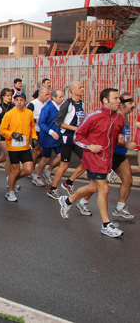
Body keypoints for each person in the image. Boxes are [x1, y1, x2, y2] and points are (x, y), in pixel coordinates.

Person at [58, 88, 126, 238]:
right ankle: (106, 225)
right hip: (94, 158)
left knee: (93, 187)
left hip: (107, 159)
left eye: (119, 98)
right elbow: (77, 137)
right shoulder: (93, 117)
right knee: (104, 188)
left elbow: (116, 136)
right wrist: (90, 146)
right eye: (115, 98)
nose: (119, 101)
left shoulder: (119, 118)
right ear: (105, 101)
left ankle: (67, 200)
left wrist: (120, 139)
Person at [48, 81, 87, 197]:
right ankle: (52, 189)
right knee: (64, 164)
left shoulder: (82, 103)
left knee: (87, 161)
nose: (83, 89)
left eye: (82, 87)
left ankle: (68, 182)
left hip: (77, 137)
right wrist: (74, 128)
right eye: (80, 87)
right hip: (67, 137)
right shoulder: (67, 104)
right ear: (73, 90)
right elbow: (58, 122)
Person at [0, 92, 38, 202]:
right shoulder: (9, 114)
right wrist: (12, 134)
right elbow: (2, 130)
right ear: (14, 101)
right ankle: (10, 192)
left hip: (25, 146)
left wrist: (34, 138)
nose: (19, 102)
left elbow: (32, 128)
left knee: (29, 170)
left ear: (25, 101)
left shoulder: (29, 113)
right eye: (17, 100)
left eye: (21, 100)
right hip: (13, 147)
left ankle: (12, 180)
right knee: (15, 171)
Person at [108, 92, 137, 219]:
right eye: (130, 103)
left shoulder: (125, 117)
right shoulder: (116, 118)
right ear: (122, 105)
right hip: (110, 155)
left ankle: (120, 207)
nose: (133, 106)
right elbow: (112, 138)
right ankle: (80, 201)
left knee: (128, 180)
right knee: (95, 187)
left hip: (120, 155)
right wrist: (126, 144)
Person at [37, 89, 66, 198]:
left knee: (61, 157)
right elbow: (41, 123)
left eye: (62, 97)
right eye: (60, 97)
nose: (62, 99)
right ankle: (37, 175)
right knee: (46, 158)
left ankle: (48, 171)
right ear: (53, 97)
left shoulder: (61, 107)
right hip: (48, 138)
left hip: (58, 138)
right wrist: (51, 132)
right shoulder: (47, 108)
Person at [26, 87, 50, 187]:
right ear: (40, 94)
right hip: (34, 131)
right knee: (37, 151)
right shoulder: (33, 104)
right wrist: (37, 120)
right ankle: (30, 171)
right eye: (46, 95)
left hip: (43, 131)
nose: (48, 97)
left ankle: (33, 168)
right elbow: (26, 116)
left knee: (42, 153)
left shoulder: (47, 104)